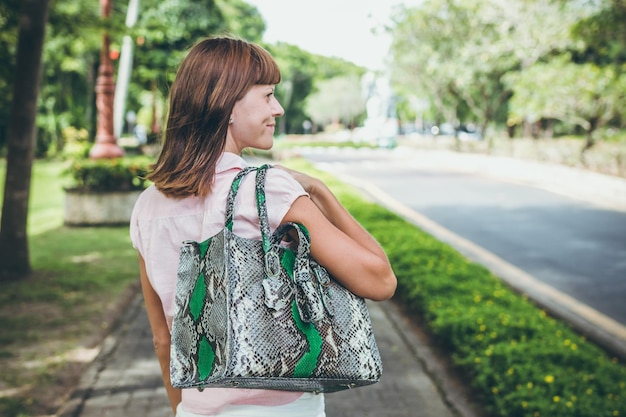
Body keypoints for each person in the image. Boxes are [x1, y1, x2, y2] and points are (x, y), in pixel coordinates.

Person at [130, 36, 397, 417]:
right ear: (227, 104)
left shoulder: (147, 206)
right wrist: (320, 191)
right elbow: (380, 280)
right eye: (268, 95)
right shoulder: (268, 188)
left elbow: (163, 339)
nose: (279, 107)